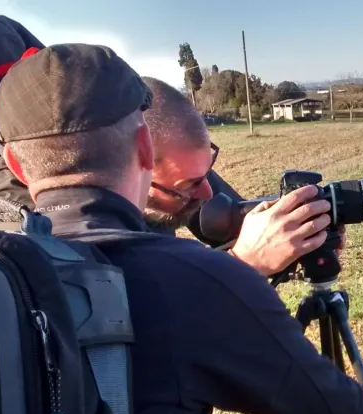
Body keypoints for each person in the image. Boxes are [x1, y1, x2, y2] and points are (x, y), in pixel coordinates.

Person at [0, 43, 363, 414]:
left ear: (14, 163)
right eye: (189, 185)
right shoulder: (192, 281)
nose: (208, 192)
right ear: (144, 147)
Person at [139, 76, 345, 277]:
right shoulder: (108, 248)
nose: (207, 193)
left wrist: (301, 219)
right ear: (136, 170)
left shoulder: (184, 175)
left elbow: (228, 220)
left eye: (206, 172)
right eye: (188, 185)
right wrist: (243, 265)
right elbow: (156, 307)